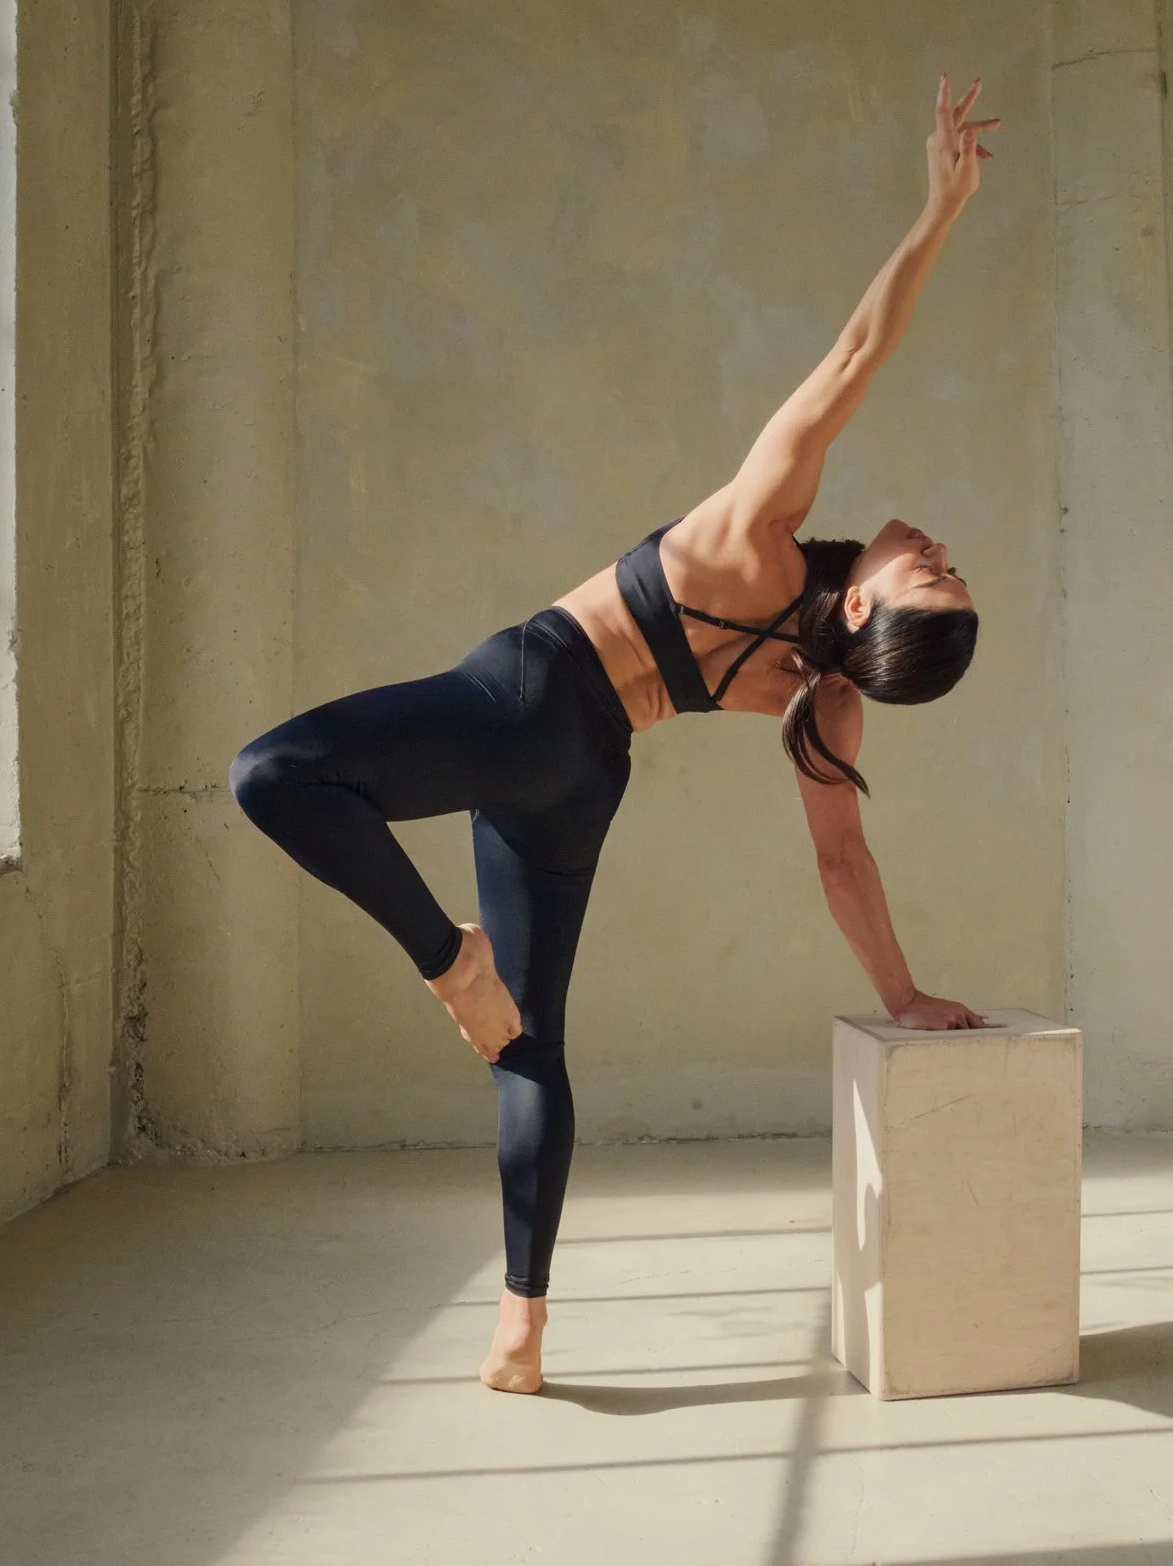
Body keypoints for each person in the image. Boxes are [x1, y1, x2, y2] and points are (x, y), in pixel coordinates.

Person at [230, 75, 1000, 1393]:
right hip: (586, 782)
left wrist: (937, 215)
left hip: (532, 696)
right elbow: (840, 863)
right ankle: (522, 1328)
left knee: (273, 773)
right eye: (954, 565)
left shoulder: (755, 537)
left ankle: (442, 959)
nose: (938, 547)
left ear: (867, 600)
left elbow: (853, 360)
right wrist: (902, 996)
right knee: (531, 1044)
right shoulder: (825, 696)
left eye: (934, 573)